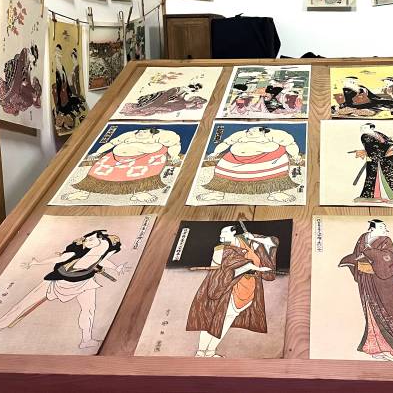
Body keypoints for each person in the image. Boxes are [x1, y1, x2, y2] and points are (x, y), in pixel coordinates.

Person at [0, 230, 129, 353]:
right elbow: (63, 257)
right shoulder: (80, 248)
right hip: (59, 280)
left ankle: (86, 340)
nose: (87, 241)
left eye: (90, 239)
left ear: (101, 239)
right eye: (87, 239)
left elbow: (101, 260)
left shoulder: (106, 246)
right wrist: (37, 263)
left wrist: (116, 268)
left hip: (84, 281)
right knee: (19, 308)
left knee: (89, 310)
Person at [339, 220, 393, 361]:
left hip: (383, 281)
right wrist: (358, 259)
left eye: (385, 227)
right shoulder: (363, 238)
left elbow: (389, 257)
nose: (385, 230)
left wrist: (370, 252)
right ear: (372, 228)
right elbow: (357, 254)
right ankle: (377, 347)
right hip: (366, 279)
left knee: (390, 311)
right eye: (382, 227)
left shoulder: (386, 240)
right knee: (372, 310)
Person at [186, 224, 278, 358]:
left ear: (233, 233)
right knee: (213, 320)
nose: (220, 236)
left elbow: (273, 241)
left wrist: (255, 239)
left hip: (248, 289)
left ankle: (210, 351)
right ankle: (200, 353)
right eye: (220, 233)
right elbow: (227, 267)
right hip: (226, 289)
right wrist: (254, 268)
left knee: (225, 323)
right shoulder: (221, 249)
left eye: (224, 233)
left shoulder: (247, 240)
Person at [63, 128, 181, 204]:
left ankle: (139, 193)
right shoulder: (128, 136)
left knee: (141, 175)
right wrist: (98, 152)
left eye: (144, 132)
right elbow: (111, 143)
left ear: (152, 133)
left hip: (144, 159)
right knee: (98, 170)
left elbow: (174, 145)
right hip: (116, 158)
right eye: (139, 132)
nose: (140, 133)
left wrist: (174, 155)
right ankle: (83, 192)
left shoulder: (162, 138)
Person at [197, 126, 301, 203]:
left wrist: (295, 155)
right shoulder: (241, 134)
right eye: (248, 131)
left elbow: (290, 144)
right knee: (222, 167)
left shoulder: (275, 134)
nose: (249, 132)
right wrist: (215, 152)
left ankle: (275, 193)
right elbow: (226, 143)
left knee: (278, 165)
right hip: (235, 160)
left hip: (268, 159)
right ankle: (217, 193)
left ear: (263, 131)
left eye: (253, 131)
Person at [353, 123, 393, 202]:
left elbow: (390, 142)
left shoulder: (378, 133)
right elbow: (372, 147)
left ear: (372, 128)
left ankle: (392, 197)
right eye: (362, 128)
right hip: (375, 160)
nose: (363, 129)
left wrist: (392, 147)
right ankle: (372, 196)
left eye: (365, 128)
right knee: (373, 178)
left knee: (391, 176)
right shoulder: (365, 136)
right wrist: (388, 148)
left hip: (388, 158)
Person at [0, 45, 42, 116]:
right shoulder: (26, 103)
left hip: (16, 87)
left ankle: (21, 63)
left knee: (19, 93)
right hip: (16, 87)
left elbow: (2, 84)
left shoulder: (25, 103)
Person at [121, 82, 206, 116]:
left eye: (195, 90)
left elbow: (179, 102)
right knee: (147, 107)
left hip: (162, 103)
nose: (194, 92)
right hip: (157, 100)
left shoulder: (183, 97)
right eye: (193, 88)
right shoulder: (176, 90)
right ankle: (135, 109)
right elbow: (161, 99)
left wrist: (189, 104)